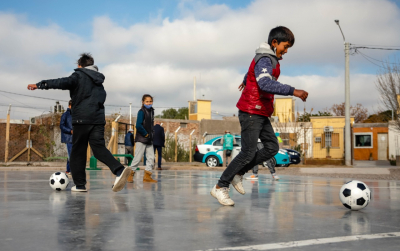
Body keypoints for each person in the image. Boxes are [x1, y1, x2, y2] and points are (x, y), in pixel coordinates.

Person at [210, 26, 308, 206]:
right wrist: (294, 91)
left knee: (272, 147)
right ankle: (220, 186)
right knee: (248, 152)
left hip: (261, 111)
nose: (285, 52)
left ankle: (238, 174)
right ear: (274, 43)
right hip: (251, 111)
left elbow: (253, 73)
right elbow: (264, 83)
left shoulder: (267, 58)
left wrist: (246, 79)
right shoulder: (265, 58)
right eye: (284, 47)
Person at [27, 53, 131, 192]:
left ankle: (80, 185)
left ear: (80, 65)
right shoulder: (99, 82)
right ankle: (119, 170)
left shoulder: (78, 75)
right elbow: (102, 98)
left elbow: (61, 82)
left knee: (77, 152)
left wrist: (40, 85)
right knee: (98, 149)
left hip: (82, 119)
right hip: (98, 120)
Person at [127, 94, 157, 183]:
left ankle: (147, 176)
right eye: (147, 101)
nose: (149, 103)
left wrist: (150, 135)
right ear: (143, 102)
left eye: (150, 101)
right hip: (142, 138)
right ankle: (130, 174)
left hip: (149, 139)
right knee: (138, 157)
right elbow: (138, 125)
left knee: (151, 157)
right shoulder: (141, 111)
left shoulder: (152, 111)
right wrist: (146, 134)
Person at [60, 100, 73, 175]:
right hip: (68, 138)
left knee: (73, 154)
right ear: (69, 106)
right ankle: (70, 170)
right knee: (70, 154)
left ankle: (69, 170)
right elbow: (61, 126)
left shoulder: (77, 114)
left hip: (76, 138)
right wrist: (70, 131)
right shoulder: (65, 115)